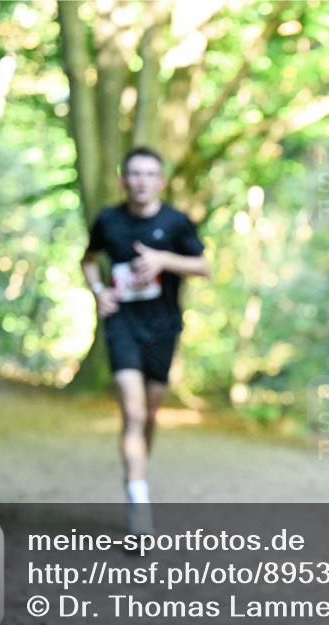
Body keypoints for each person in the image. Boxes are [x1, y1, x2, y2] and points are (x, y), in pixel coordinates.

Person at [81, 146, 210, 535]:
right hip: (122, 324)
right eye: (134, 174)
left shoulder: (177, 223)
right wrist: (98, 290)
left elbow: (204, 266)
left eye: (149, 174)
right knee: (133, 413)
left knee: (150, 415)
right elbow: (88, 259)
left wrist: (162, 260)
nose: (141, 181)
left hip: (163, 328)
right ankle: (139, 498)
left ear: (161, 181)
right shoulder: (108, 220)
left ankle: (136, 474)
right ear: (123, 180)